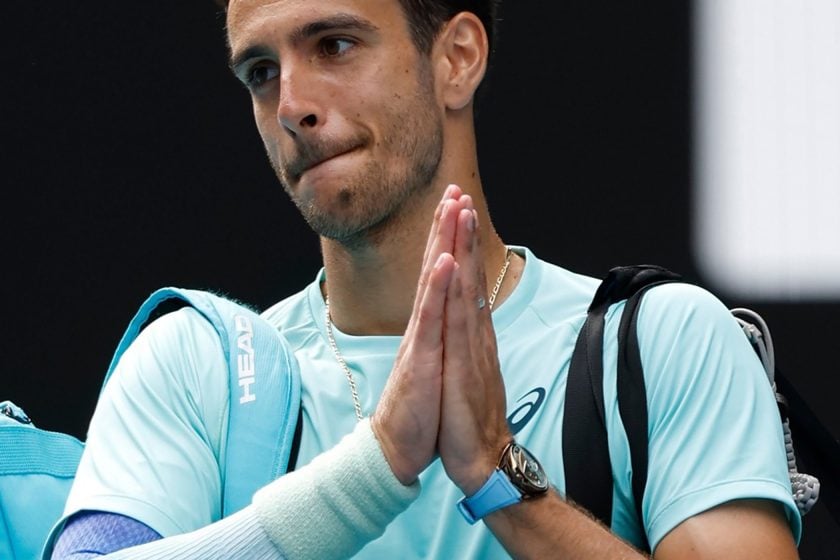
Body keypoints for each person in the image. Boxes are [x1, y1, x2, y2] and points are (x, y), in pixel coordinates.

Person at [47, 1, 802, 558]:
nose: (292, 105)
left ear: (457, 59)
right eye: (261, 71)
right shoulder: (191, 365)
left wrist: (497, 475)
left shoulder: (666, 340)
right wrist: (378, 465)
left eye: (335, 45)